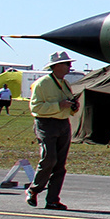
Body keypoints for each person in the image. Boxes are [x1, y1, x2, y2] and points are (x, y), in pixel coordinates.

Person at [27, 51, 79, 210]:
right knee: (49, 159)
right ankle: (34, 189)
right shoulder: (42, 84)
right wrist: (58, 106)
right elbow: (35, 108)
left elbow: (67, 104)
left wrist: (72, 108)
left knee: (60, 164)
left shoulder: (65, 84)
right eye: (66, 64)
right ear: (56, 66)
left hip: (63, 123)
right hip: (46, 124)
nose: (70, 67)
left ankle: (52, 199)